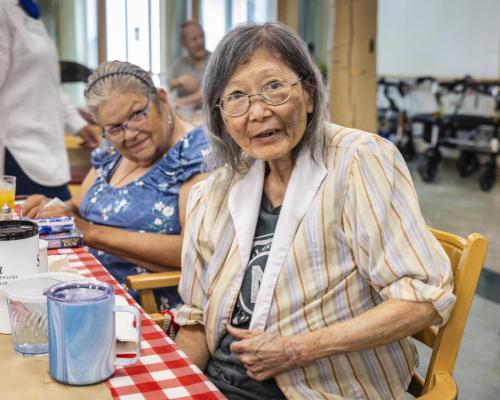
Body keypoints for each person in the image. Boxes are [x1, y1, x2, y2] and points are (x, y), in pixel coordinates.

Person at [174, 22, 456, 399]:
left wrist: (297, 348)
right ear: (221, 113)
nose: (257, 111)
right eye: (237, 96)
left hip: (320, 386)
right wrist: (174, 386)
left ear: (308, 93)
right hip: (218, 381)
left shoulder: (358, 161)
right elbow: (195, 315)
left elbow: (422, 297)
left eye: (274, 87)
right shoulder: (215, 190)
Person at [23, 61, 209, 310]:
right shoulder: (113, 153)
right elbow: (78, 207)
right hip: (84, 291)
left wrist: (89, 232)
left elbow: (193, 254)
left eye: (137, 115)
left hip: (141, 309)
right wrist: (53, 209)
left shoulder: (197, 156)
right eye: (114, 128)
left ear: (162, 101)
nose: (129, 134)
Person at [0, 0, 101, 201]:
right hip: (17, 151)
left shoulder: (28, 12)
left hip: (48, 151)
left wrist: (78, 124)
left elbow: (49, 84)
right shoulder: (4, 10)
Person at [168, 20, 210, 112]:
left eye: (202, 36)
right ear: (184, 44)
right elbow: (167, 87)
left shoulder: (215, 62)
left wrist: (179, 102)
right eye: (194, 39)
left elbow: (207, 93)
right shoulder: (179, 64)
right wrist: (178, 81)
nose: (200, 42)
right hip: (186, 117)